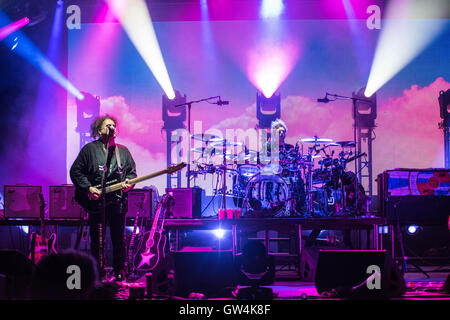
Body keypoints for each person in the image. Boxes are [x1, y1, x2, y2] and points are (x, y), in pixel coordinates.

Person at [70, 115, 137, 281]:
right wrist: (88, 187)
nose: (112, 127)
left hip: (117, 201)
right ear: (99, 130)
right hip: (97, 202)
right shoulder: (89, 150)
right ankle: (98, 272)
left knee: (118, 238)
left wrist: (129, 183)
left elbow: (132, 173)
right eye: (108, 125)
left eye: (114, 125)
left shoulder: (123, 151)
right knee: (97, 239)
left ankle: (119, 270)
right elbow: (76, 171)